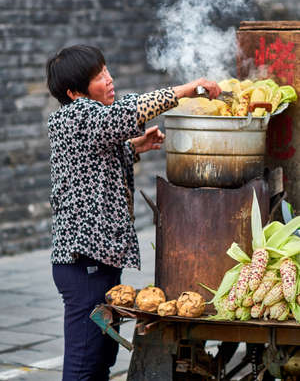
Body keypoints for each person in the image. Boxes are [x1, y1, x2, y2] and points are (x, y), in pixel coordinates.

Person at [46, 44, 221, 381]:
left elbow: (95, 162)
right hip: (83, 263)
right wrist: (186, 90)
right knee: (84, 364)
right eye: (98, 77)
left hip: (98, 262)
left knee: (101, 359)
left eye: (106, 70)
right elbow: (127, 113)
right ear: (73, 92)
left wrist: (135, 146)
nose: (109, 80)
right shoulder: (76, 116)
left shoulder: (88, 123)